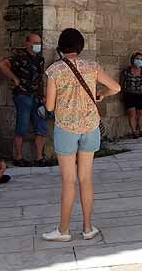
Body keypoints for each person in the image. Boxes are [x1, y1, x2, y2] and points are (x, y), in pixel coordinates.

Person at [41, 28, 120, 242]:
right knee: (86, 178)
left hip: (66, 128)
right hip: (90, 126)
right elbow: (116, 87)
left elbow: (49, 105)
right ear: (80, 46)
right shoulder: (92, 67)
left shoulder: (54, 70)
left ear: (61, 46)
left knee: (69, 181)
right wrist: (101, 94)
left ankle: (63, 230)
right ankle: (87, 227)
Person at [0, 33, 47, 167]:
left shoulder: (40, 59)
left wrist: (42, 95)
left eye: (39, 43)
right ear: (27, 43)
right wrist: (14, 78)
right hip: (23, 95)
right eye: (35, 43)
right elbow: (3, 65)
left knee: (41, 125)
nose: (37, 45)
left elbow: (40, 78)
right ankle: (18, 157)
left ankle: (39, 157)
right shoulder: (19, 57)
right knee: (22, 126)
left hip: (36, 96)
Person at [121, 52, 142, 138]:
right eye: (137, 59)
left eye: (140, 59)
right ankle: (134, 131)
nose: (139, 61)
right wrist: (121, 94)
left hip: (140, 95)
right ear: (133, 60)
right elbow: (121, 82)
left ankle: (141, 130)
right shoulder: (126, 71)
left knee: (141, 113)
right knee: (132, 113)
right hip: (129, 94)